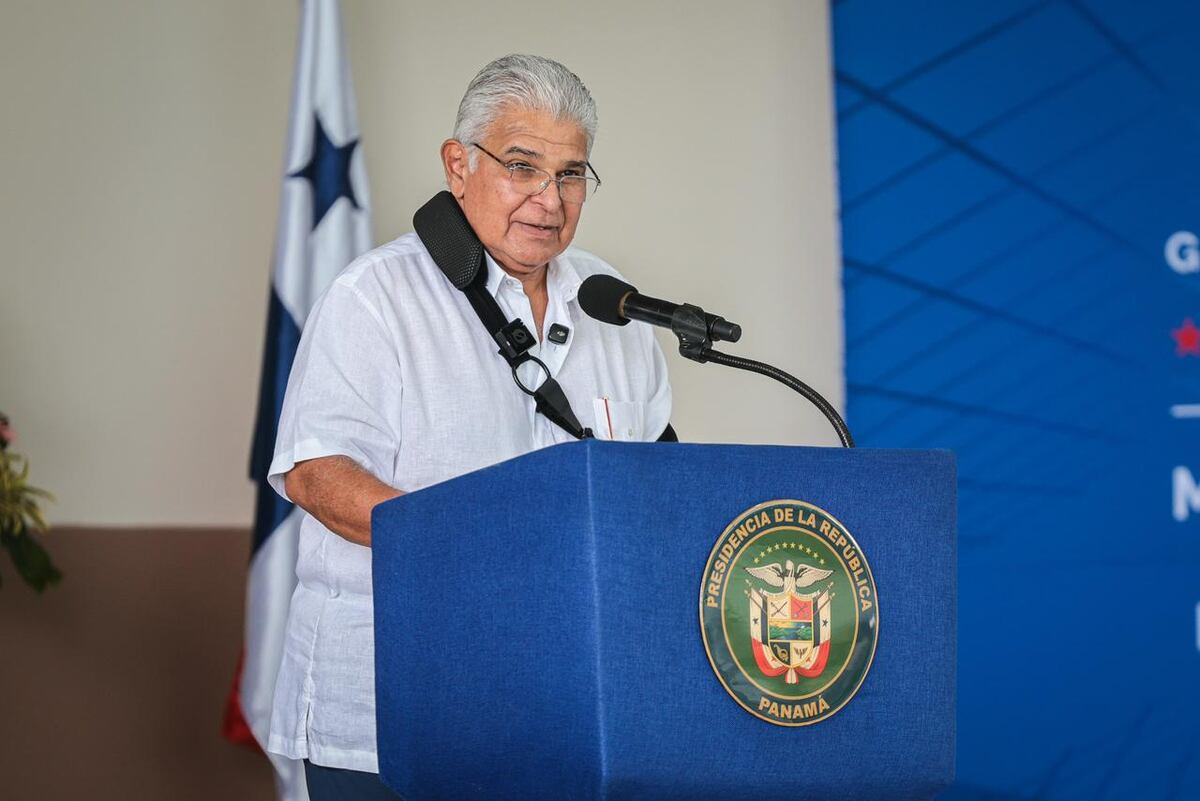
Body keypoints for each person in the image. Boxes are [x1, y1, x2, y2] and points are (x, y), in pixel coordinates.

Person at [265, 54, 673, 799]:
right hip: (390, 721)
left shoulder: (616, 309)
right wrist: (480, 543)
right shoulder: (375, 298)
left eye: (572, 174)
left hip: (570, 714)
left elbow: (659, 488)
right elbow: (316, 475)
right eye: (522, 166)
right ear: (459, 166)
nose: (549, 200)